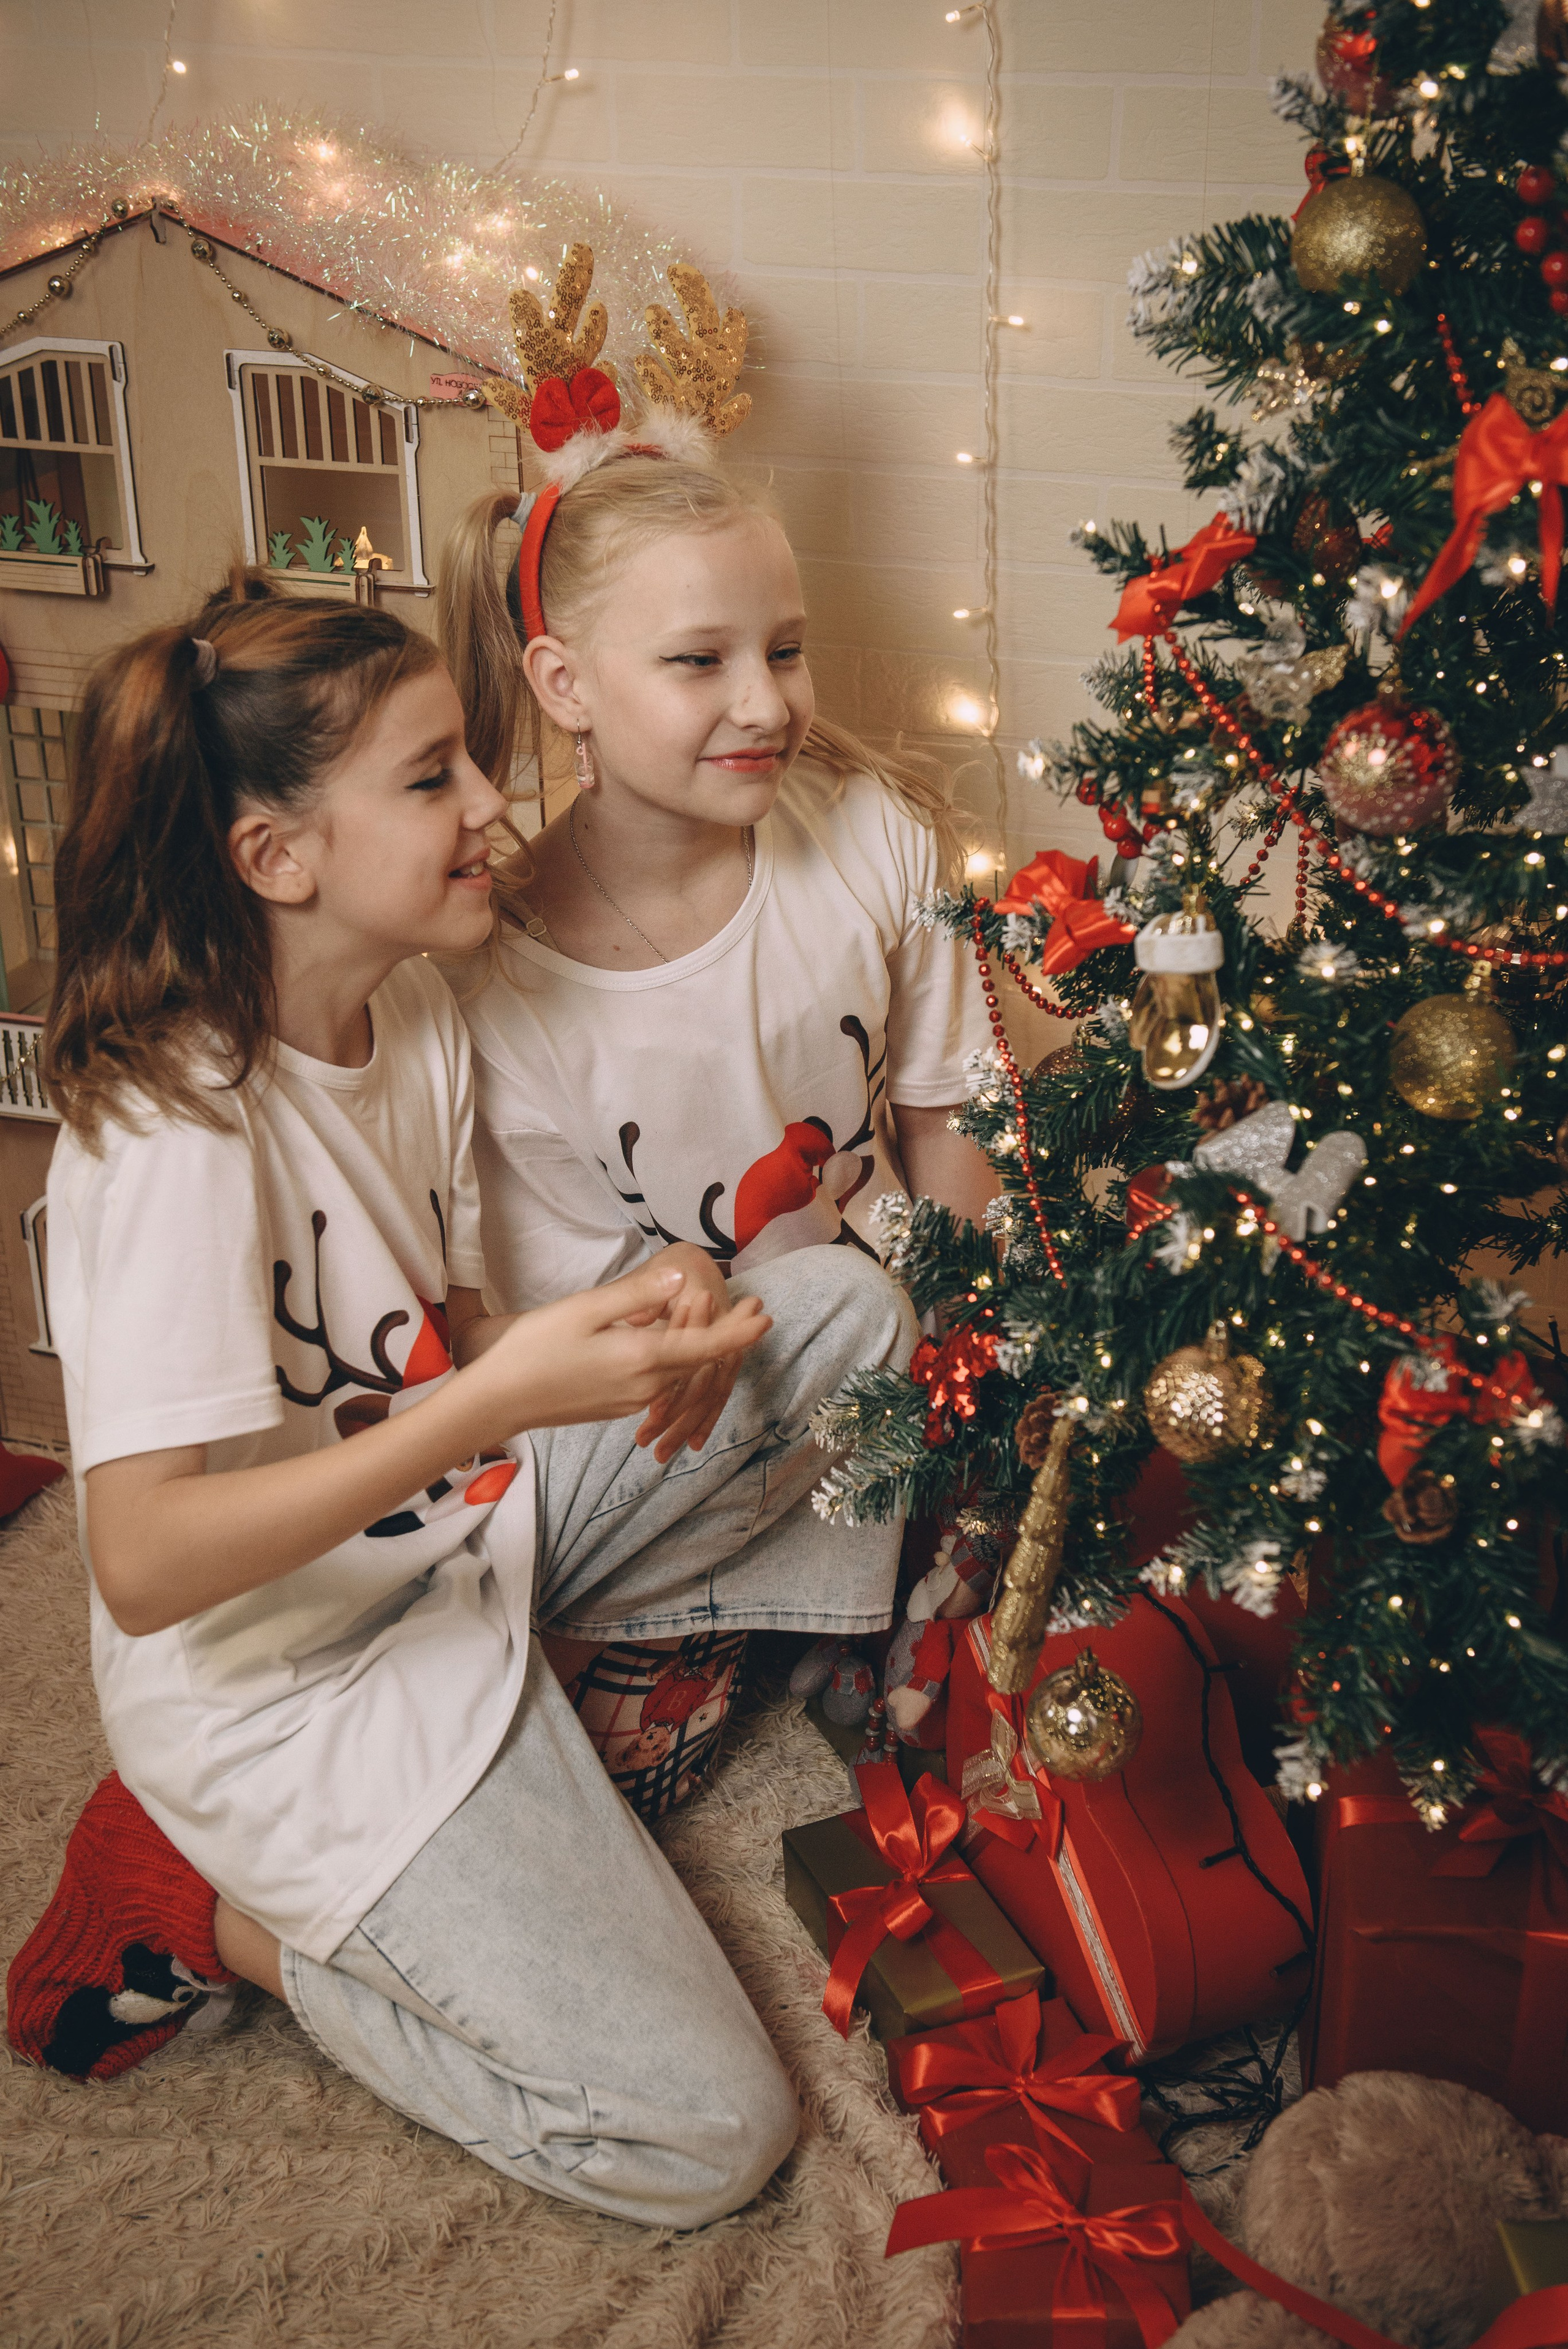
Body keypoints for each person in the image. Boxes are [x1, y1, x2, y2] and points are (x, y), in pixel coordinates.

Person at [4, 578, 916, 2228]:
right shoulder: (169, 1132)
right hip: (289, 1692)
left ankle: (568, 1707)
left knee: (842, 1310)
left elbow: (443, 1329)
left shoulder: (407, 1013)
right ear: (275, 857)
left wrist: (636, 1309)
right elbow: (138, 1560)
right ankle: (202, 1908)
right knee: (712, 2131)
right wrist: (500, 1392)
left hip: (455, 1534)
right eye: (433, 779)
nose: (498, 803)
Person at [439, 447, 1001, 1773]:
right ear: (563, 684)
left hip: (874, 1373)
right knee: (588, 1794)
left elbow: (944, 1126)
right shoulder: (487, 983)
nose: (764, 700)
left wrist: (969, 1360)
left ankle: (794, 1600)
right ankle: (685, 1615)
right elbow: (528, 1351)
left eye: (786, 649)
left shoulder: (870, 839)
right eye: (698, 661)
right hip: (653, 1436)